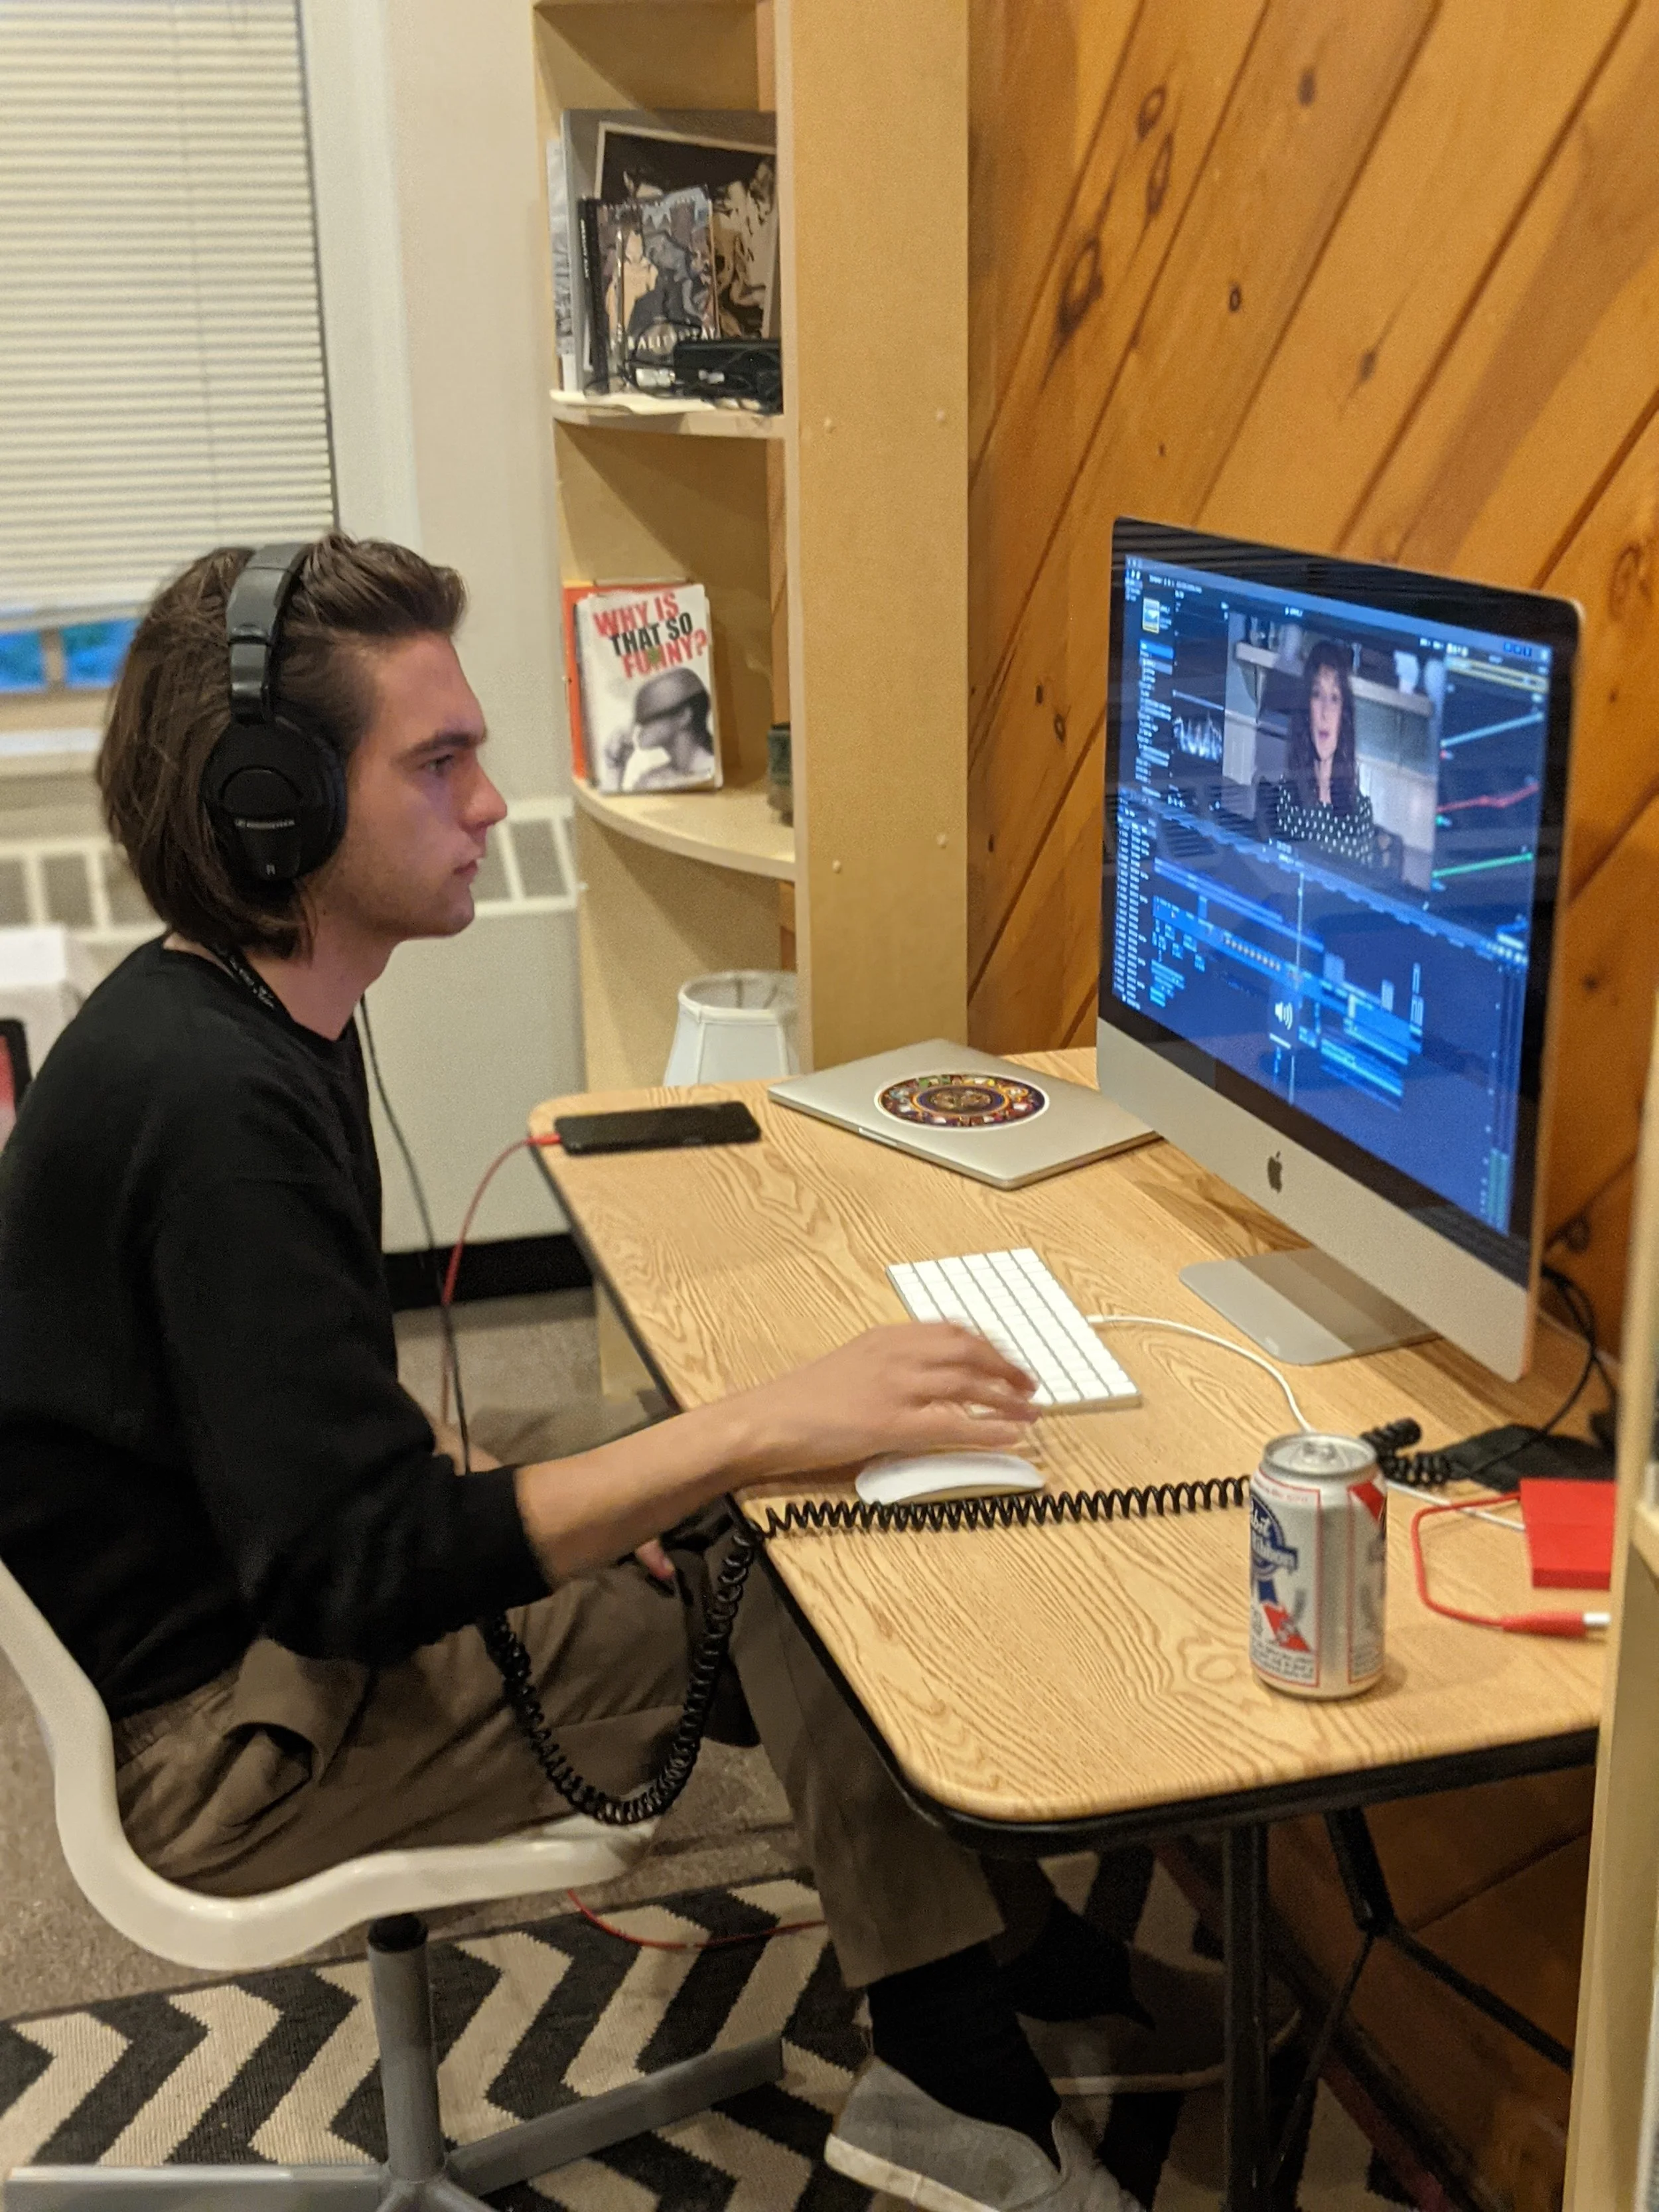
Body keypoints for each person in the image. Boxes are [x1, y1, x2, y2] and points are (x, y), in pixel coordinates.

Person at [0, 536, 1269, 2212]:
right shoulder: (218, 1113)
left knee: (750, 1486)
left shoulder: (232, 1010)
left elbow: (264, 1407)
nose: (486, 801)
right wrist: (735, 1436)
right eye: (437, 763)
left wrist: (677, 1462)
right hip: (230, 1737)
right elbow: (348, 1571)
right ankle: (953, 2069)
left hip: (248, 1587)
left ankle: (1002, 1961)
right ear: (272, 808)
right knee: (795, 1562)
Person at [1265, 638, 1376, 867]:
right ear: (1307, 710)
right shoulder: (1287, 798)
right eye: (1317, 695)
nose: (1325, 711)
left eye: (1334, 698)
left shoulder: (1361, 812)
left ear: (1343, 716)